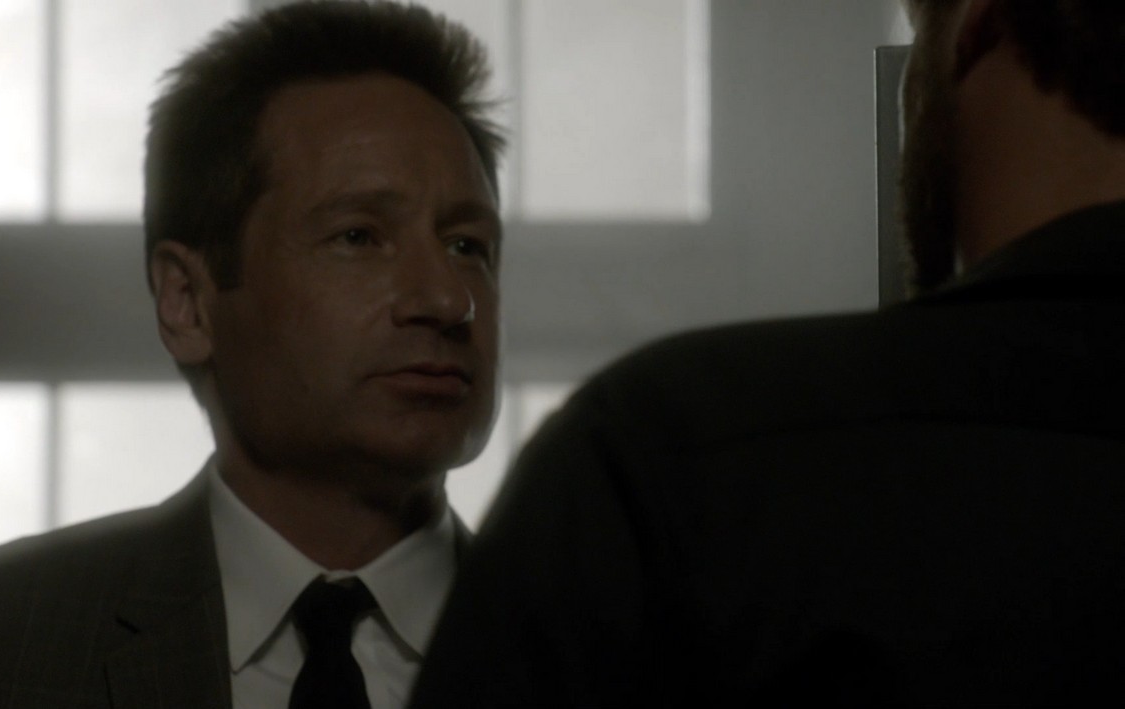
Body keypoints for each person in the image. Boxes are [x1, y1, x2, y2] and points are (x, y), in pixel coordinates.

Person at [410, 0, 1125, 706]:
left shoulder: (675, 464)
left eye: (917, 33)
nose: (445, 301)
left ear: (979, 23)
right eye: (360, 236)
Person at [0, 2, 505, 708]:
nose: (448, 299)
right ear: (188, 302)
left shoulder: (596, 651)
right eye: (358, 237)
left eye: (467, 246)